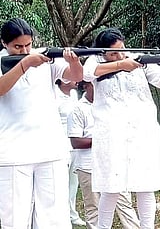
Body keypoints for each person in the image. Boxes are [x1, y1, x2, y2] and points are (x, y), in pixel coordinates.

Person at [83, 28, 160, 229]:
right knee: (111, 187)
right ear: (102, 53)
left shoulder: (138, 59)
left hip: (142, 132)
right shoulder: (95, 60)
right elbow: (88, 73)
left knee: (146, 186)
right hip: (111, 133)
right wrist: (121, 65)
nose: (120, 55)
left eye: (122, 50)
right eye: (113, 53)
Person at [0, 17, 83, 228]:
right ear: (4, 43)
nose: (24, 50)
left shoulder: (45, 58)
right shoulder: (12, 61)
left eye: (28, 45)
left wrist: (74, 61)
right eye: (17, 47)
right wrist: (26, 64)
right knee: (15, 219)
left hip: (51, 150)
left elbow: (75, 77)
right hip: (13, 153)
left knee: (54, 217)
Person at [68, 80, 141, 229]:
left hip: (115, 163)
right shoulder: (78, 109)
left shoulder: (113, 106)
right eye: (94, 85)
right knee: (93, 208)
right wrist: (103, 139)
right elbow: (76, 142)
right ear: (85, 86)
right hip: (88, 166)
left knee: (124, 204)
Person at [55, 79, 87, 227]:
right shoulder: (53, 93)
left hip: (75, 144)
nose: (76, 80)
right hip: (59, 144)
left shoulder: (74, 94)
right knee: (59, 183)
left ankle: (72, 214)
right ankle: (58, 214)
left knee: (73, 183)